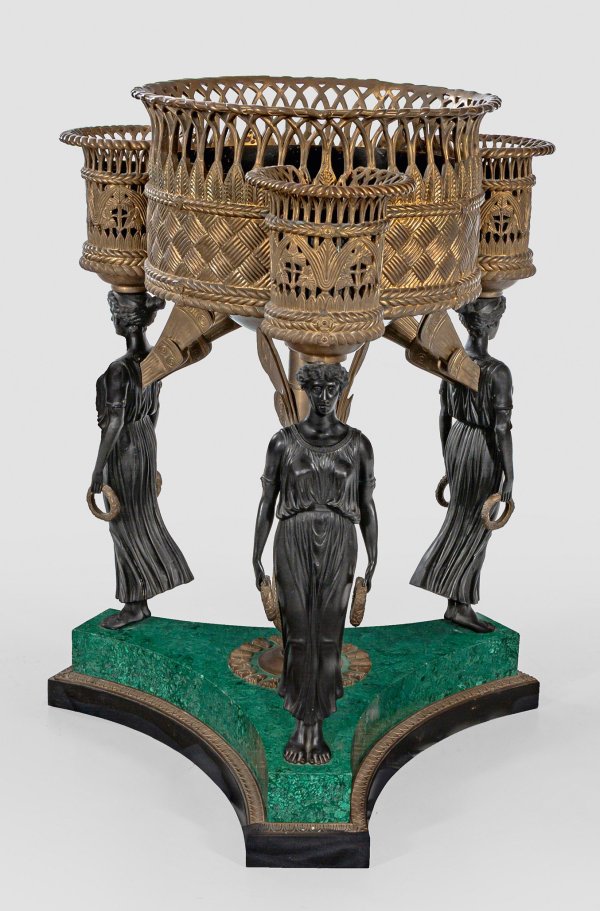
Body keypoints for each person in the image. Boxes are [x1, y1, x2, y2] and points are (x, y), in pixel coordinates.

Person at [253, 362, 378, 765]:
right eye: (317, 389)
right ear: (305, 391)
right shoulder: (282, 442)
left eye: (331, 389)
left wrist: (373, 557)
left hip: (340, 540)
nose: (324, 397)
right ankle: (300, 722)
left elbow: (367, 505)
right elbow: (267, 503)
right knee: (296, 633)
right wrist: (255, 554)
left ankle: (317, 723)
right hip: (293, 539)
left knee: (327, 634)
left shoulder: (358, 445)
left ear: (341, 391)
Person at [410, 295, 513, 633]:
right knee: (476, 526)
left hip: (457, 441)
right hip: (483, 449)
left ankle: (456, 599)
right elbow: (501, 428)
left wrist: (448, 458)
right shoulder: (497, 372)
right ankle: (460, 604)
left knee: (462, 519)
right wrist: (510, 476)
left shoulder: (452, 360)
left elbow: (443, 415)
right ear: (492, 325)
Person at [91, 291, 193, 630]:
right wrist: (149, 452)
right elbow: (155, 411)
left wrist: (97, 471)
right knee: (138, 518)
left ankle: (134, 604)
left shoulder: (119, 369)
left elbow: (115, 423)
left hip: (124, 450)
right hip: (145, 442)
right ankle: (140, 599)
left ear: (124, 320)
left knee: (123, 525)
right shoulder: (153, 359)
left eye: (114, 314)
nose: (112, 320)